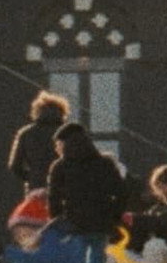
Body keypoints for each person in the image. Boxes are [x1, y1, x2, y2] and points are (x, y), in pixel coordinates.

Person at [47, 118, 129, 248]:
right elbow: (122, 193)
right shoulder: (105, 163)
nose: (56, 149)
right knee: (96, 257)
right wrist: (114, 216)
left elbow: (54, 199)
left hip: (73, 223)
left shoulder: (60, 167)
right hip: (101, 222)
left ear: (64, 144)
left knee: (77, 257)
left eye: (58, 144)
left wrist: (58, 220)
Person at [9, 90, 70, 199]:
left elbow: (15, 166)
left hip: (35, 189)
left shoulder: (26, 133)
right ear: (62, 112)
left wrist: (31, 177)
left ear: (37, 111)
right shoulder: (69, 133)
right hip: (63, 189)